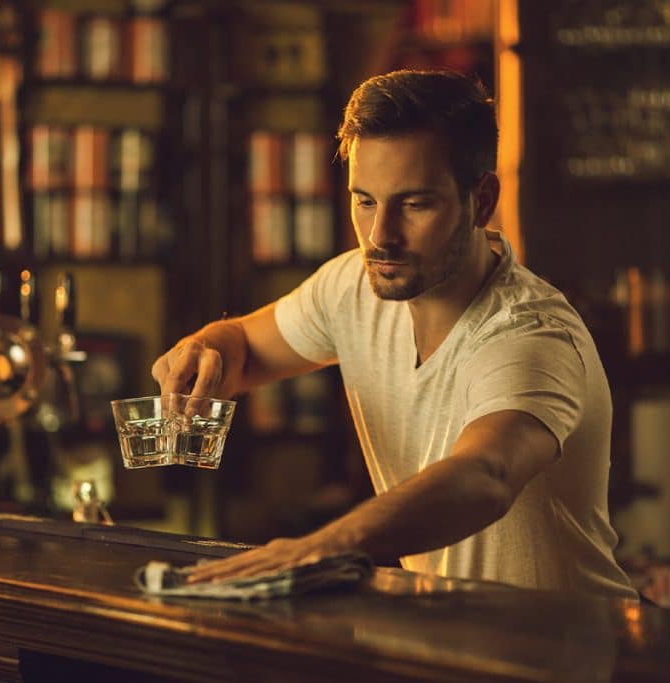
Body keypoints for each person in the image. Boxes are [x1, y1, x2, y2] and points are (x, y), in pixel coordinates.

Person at [152, 68, 636, 599]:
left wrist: (322, 546)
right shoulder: (352, 286)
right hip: (447, 641)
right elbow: (242, 346)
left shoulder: (530, 334)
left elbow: (487, 475)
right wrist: (206, 348)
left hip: (565, 655)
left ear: (483, 200)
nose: (380, 236)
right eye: (365, 201)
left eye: (414, 204)